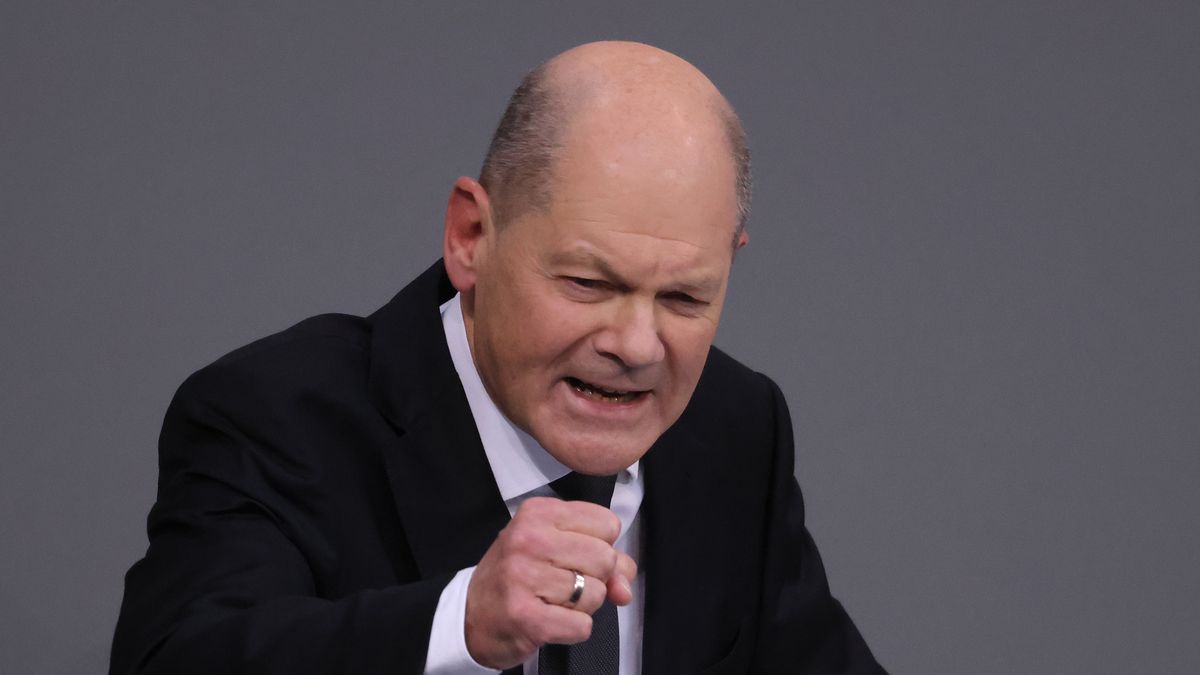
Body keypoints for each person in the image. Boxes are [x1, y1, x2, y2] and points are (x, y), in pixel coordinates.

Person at [110, 41, 886, 674]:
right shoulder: (274, 415)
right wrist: (460, 622)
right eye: (588, 283)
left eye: (684, 297)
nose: (635, 346)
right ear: (471, 237)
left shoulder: (736, 428)